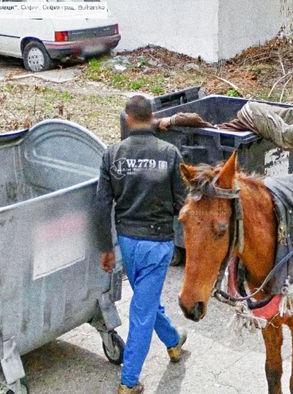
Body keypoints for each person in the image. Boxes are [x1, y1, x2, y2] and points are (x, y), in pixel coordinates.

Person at [95, 95, 188, 394]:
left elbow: (101, 205)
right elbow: (182, 204)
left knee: (146, 303)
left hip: (127, 243)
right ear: (152, 117)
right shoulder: (170, 154)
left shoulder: (112, 155)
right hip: (157, 243)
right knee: (142, 311)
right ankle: (129, 382)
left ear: (128, 118)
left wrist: (106, 248)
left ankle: (173, 342)